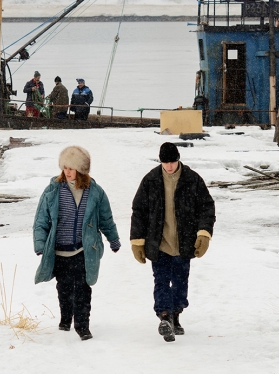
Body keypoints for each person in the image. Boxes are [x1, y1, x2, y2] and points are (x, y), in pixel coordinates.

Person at [130, 142, 215, 343]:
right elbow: (139, 211)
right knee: (161, 281)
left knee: (179, 283)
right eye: (165, 162)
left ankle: (176, 314)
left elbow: (206, 207)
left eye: (172, 162)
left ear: (178, 159)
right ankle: (165, 317)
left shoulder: (192, 179)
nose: (169, 166)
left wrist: (203, 234)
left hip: (184, 243)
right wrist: (137, 241)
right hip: (158, 243)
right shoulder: (150, 180)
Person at [33, 146, 121, 341]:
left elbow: (106, 218)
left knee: (83, 289)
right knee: (64, 287)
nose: (67, 172)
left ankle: (83, 326)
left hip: (84, 249)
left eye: (71, 168)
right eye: (65, 167)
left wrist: (113, 239)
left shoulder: (95, 192)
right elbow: (41, 220)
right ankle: (65, 319)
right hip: (60, 251)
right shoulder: (53, 190)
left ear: (81, 169)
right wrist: (40, 244)